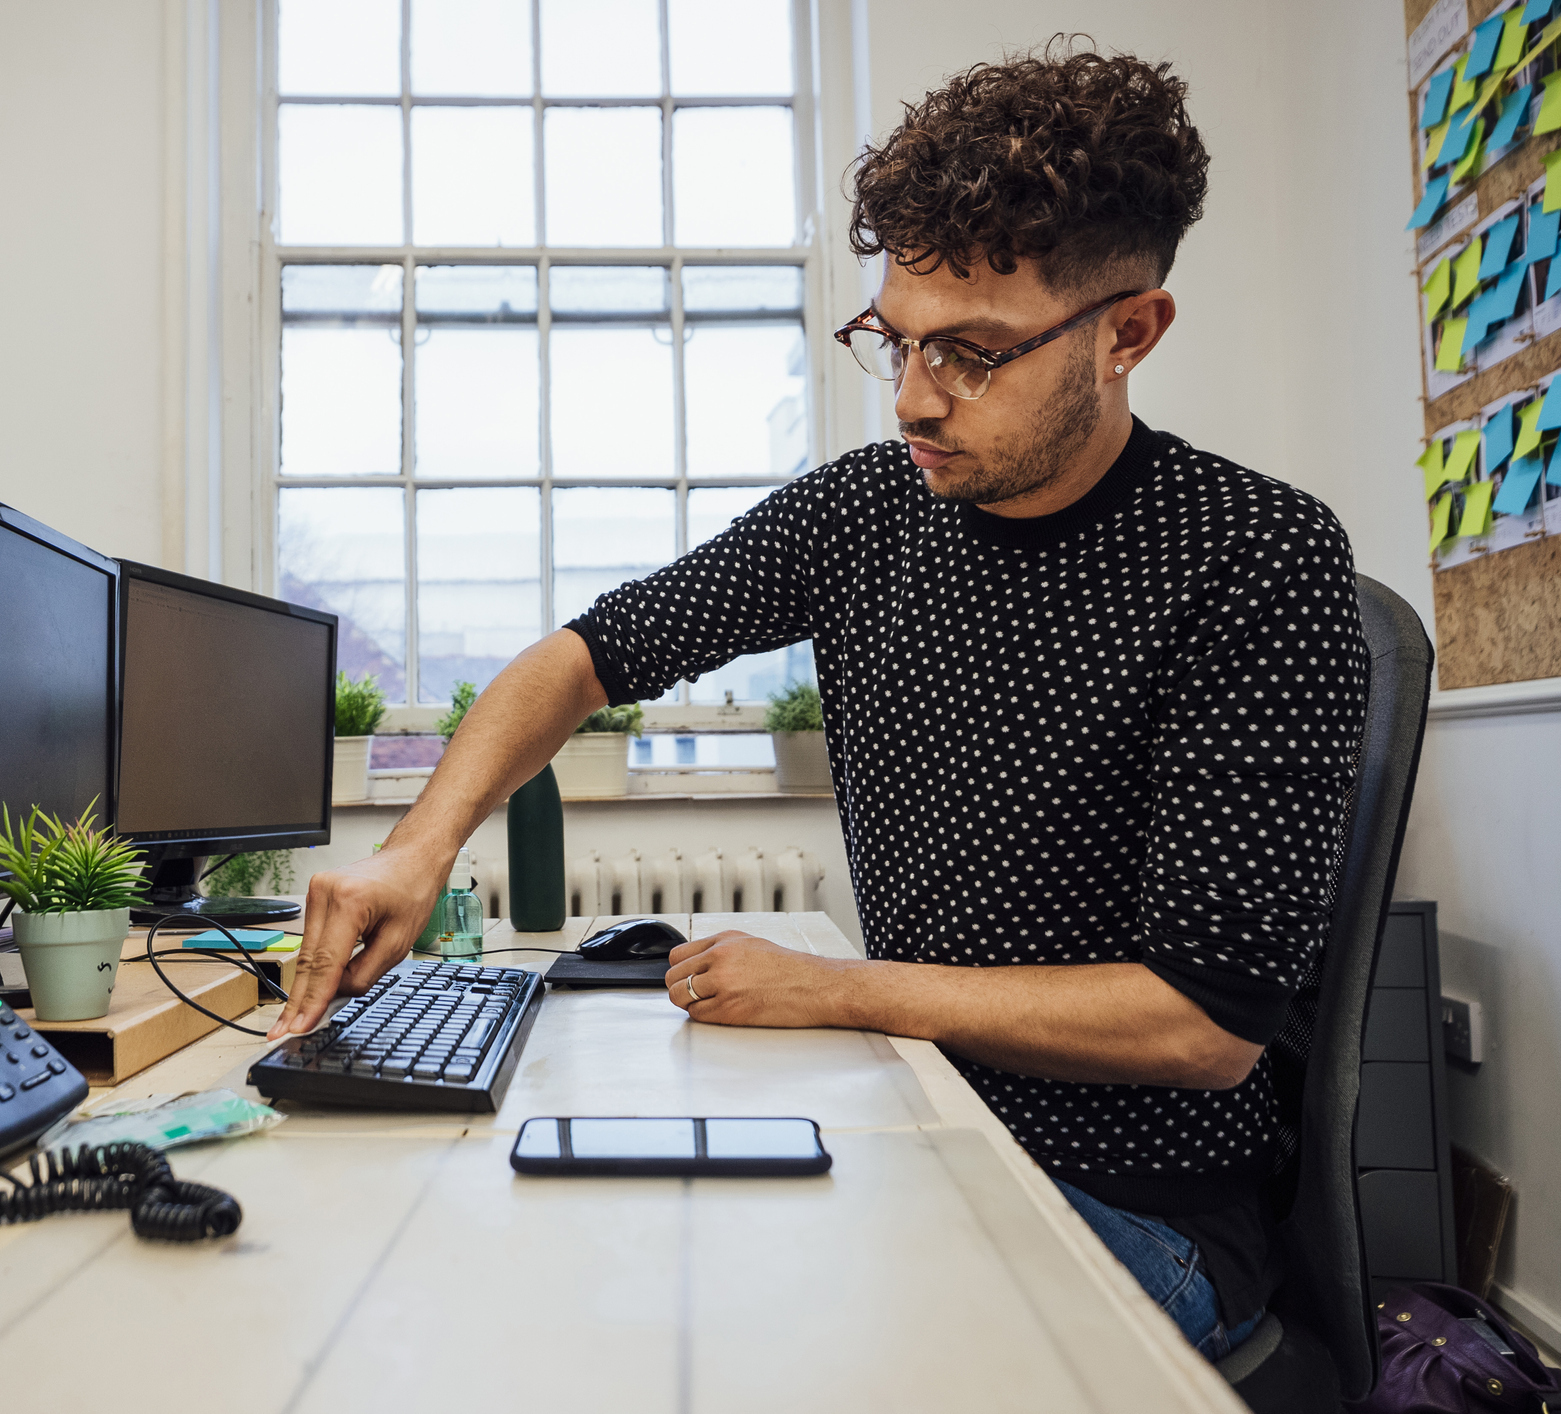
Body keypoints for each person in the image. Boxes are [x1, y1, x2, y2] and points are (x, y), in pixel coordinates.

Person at [271, 42, 1367, 1360]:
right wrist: (416, 843)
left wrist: (843, 988)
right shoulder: (867, 509)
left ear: (1127, 330)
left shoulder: (1254, 554)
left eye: (969, 353)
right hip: (903, 1104)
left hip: (1135, 1205)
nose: (912, 398)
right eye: (893, 340)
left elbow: (1200, 1027)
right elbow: (581, 657)